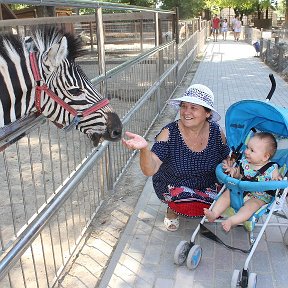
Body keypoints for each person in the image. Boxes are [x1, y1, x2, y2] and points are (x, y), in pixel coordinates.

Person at [122, 84, 230, 231]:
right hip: (174, 185)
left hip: (206, 183)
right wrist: (144, 149)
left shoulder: (217, 132)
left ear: (207, 113)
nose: (186, 112)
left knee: (230, 192)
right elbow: (150, 169)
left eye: (194, 107)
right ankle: (173, 210)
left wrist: (231, 166)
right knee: (183, 197)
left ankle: (203, 203)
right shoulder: (169, 132)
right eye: (183, 106)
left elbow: (226, 158)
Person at [204, 132, 282, 232]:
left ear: (265, 157)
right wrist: (232, 171)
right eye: (247, 147)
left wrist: (277, 178)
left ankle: (232, 221)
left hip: (259, 196)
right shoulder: (244, 162)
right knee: (227, 194)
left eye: (252, 150)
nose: (246, 152)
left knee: (250, 207)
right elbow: (239, 175)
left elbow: (276, 177)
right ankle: (214, 213)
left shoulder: (271, 168)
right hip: (241, 190)